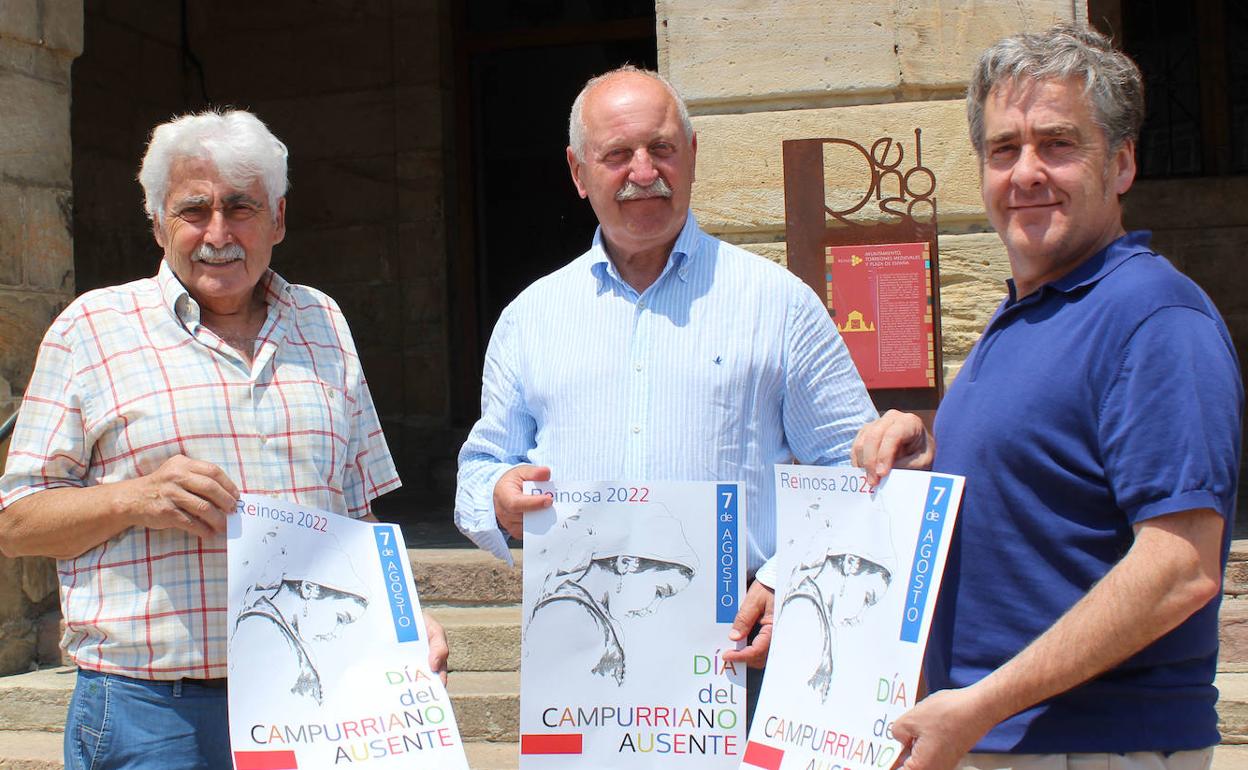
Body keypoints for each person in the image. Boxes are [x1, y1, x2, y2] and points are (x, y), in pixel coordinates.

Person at [0, 110, 448, 770]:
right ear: (157, 223)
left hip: (314, 703)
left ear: (279, 219)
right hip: (155, 713)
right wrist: (135, 500)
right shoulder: (90, 330)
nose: (218, 233)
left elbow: (357, 518)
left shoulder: (322, 322)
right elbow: (16, 523)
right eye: (193, 210)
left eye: (240, 207)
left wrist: (404, 623)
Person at [853, 24, 1242, 770]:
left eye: (1057, 145)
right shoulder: (1029, 312)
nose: (1026, 172)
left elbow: (1181, 566)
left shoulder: (1155, 318)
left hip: (1088, 747)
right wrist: (926, 445)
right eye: (1004, 150)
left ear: (1121, 163)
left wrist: (981, 705)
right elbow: (1050, 484)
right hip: (999, 738)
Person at [455, 66, 877, 682]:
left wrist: (788, 577)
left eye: (661, 149)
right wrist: (497, 497)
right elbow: (482, 466)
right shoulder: (530, 318)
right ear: (578, 172)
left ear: (693, 155)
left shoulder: (777, 304)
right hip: (584, 670)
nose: (643, 172)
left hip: (741, 659)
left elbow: (852, 469)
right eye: (618, 154)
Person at [525, 504, 698, 685]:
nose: (653, 608)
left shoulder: (589, 613)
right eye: (659, 592)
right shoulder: (568, 610)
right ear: (626, 563)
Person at [231, 537, 371, 705]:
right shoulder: (261, 627)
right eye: (340, 618)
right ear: (308, 589)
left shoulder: (284, 632)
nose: (337, 632)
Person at [780, 508, 895, 702]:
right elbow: (792, 698)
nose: (861, 615)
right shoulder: (805, 611)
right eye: (867, 598)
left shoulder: (818, 613)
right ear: (851, 563)